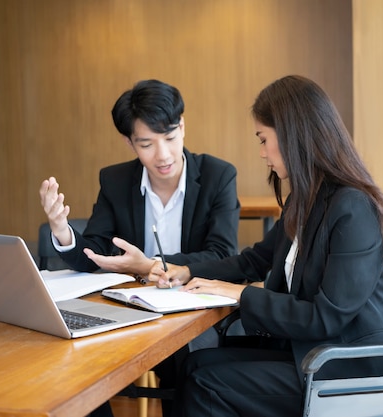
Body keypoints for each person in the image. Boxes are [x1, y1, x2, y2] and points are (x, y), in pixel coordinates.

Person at [149, 75, 383, 417]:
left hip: (352, 369)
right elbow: (254, 260)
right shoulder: (303, 201)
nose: (261, 153)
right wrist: (187, 272)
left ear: (292, 135)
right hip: (313, 354)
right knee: (194, 367)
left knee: (206, 383)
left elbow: (325, 317)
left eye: (263, 140)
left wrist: (239, 294)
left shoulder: (352, 207)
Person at [38, 79, 240, 417]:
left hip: (193, 307)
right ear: (130, 142)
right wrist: (63, 231)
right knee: (76, 366)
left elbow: (222, 254)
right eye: (146, 143)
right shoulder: (115, 180)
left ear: (183, 127)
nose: (163, 155)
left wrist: (150, 266)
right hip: (129, 308)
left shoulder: (218, 176)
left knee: (189, 369)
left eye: (171, 138)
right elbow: (94, 253)